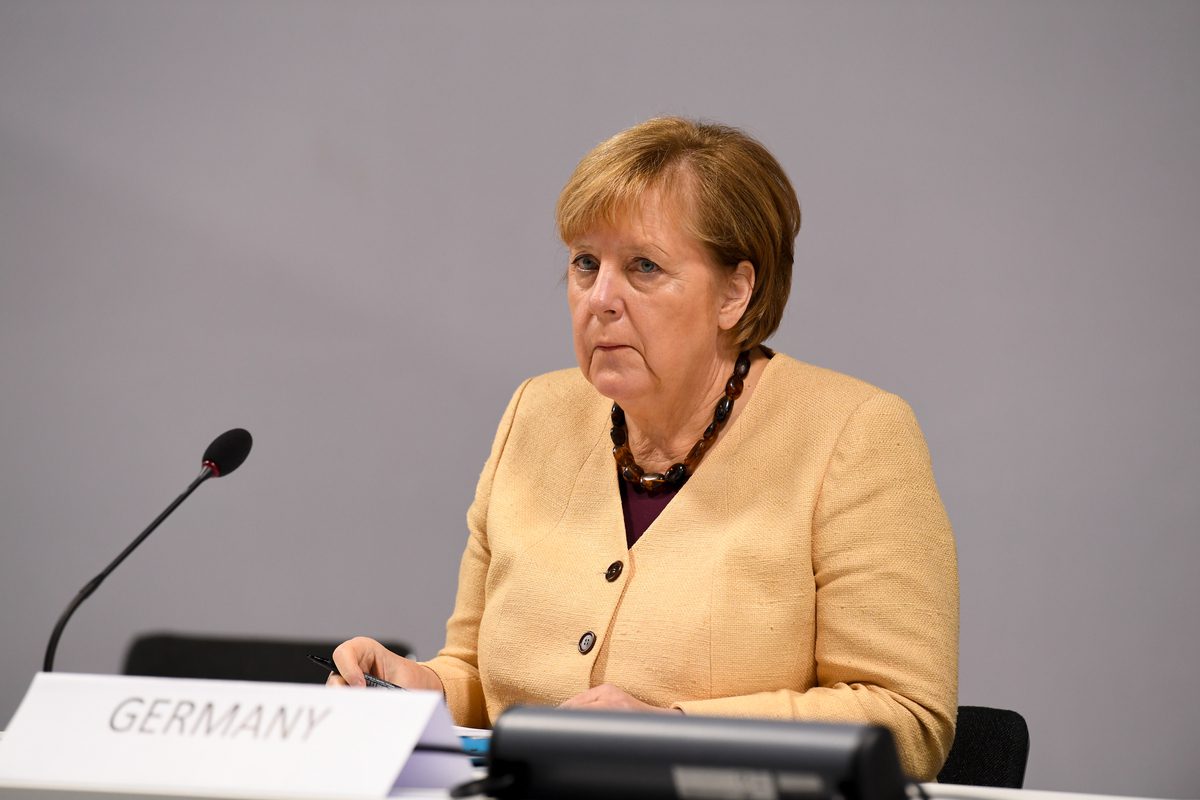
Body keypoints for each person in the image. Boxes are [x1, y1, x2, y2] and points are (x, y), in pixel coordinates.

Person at [328, 117, 958, 780]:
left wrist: (676, 733)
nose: (600, 299)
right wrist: (417, 689)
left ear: (735, 292)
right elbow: (482, 676)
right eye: (585, 264)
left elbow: (906, 719)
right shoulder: (535, 414)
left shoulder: (853, 435)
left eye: (644, 267)